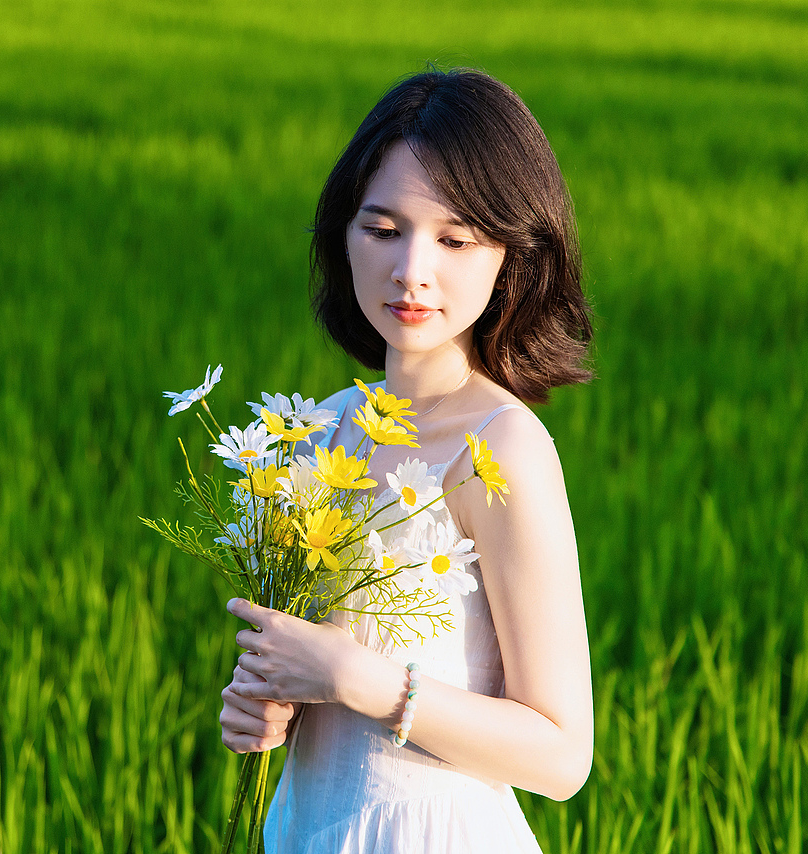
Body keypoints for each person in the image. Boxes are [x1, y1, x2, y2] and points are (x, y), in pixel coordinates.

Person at [218, 68, 595, 852]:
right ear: (342, 235)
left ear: (510, 255)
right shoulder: (316, 436)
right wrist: (269, 705)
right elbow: (311, 680)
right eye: (382, 230)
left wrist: (360, 681)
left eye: (454, 239)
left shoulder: (501, 447)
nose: (412, 270)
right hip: (306, 828)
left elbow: (562, 756)